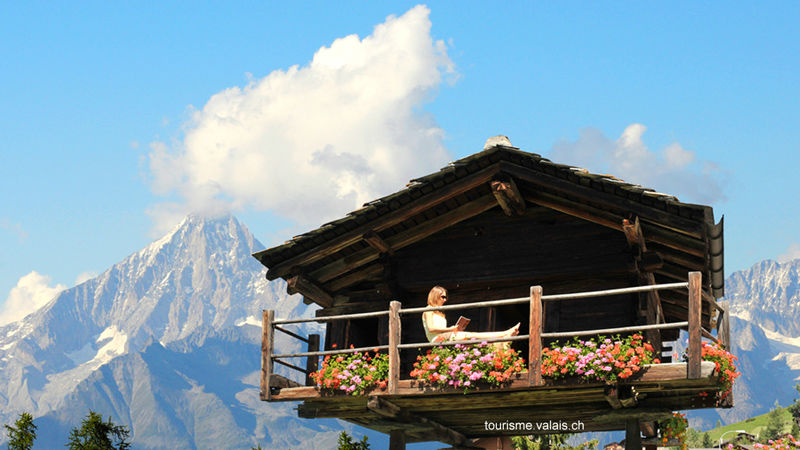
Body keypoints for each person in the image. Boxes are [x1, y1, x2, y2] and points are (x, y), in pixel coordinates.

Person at [422, 286, 520, 343]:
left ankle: (504, 335)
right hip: (437, 339)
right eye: (442, 297)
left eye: (445, 297)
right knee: (472, 336)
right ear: (435, 296)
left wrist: (456, 328)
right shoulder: (428, 310)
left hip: (446, 336)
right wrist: (451, 329)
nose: (445, 300)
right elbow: (431, 329)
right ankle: (504, 334)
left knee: (473, 338)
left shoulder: (440, 312)